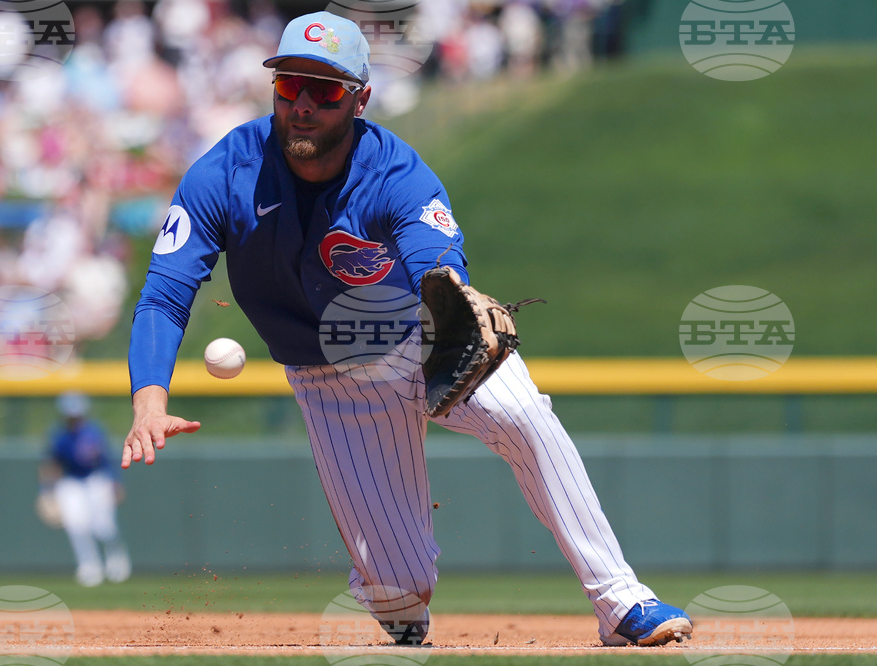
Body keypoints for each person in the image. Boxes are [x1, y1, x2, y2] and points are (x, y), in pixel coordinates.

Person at [123, 11, 692, 647]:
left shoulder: (395, 170)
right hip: (328, 380)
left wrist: (452, 297)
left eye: (326, 88)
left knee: (528, 419)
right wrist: (150, 399)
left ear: (360, 98)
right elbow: (165, 292)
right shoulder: (223, 173)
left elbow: (438, 266)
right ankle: (392, 592)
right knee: (401, 598)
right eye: (290, 85)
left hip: (419, 342)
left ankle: (621, 602)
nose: (304, 103)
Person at [42, 391, 131, 587]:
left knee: (103, 526)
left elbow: (107, 460)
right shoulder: (59, 434)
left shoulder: (94, 431)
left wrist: (115, 483)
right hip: (71, 481)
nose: (74, 418)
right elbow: (51, 464)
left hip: (96, 479)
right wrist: (47, 491)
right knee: (76, 526)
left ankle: (117, 560)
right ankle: (89, 566)